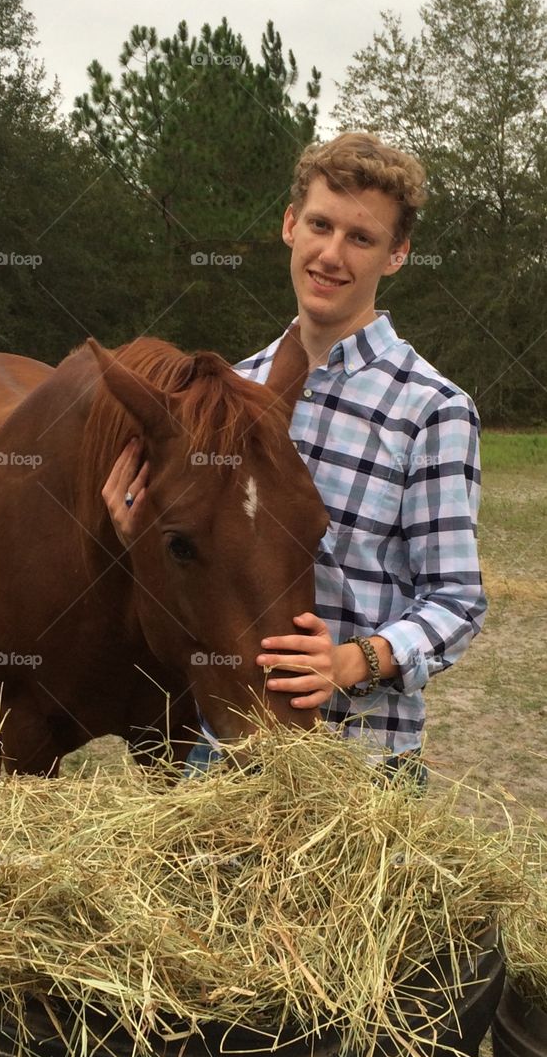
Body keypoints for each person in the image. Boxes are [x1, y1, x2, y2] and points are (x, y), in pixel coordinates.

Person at [101, 132, 486, 786]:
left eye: (361, 238)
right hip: (223, 753)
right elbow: (195, 574)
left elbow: (456, 601)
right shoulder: (225, 397)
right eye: (320, 225)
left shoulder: (430, 409)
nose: (332, 254)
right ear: (289, 226)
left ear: (397, 254)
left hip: (361, 766)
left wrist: (350, 660)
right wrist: (136, 534)